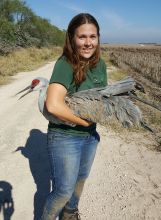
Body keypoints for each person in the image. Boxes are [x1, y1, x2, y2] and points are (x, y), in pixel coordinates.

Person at [41, 13, 107, 220]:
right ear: (72, 38)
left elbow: (101, 97)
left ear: (98, 38)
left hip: (90, 136)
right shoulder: (65, 64)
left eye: (92, 37)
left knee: (80, 180)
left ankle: (70, 214)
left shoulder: (100, 65)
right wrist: (83, 122)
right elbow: (52, 105)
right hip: (65, 136)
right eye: (82, 37)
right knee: (63, 190)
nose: (88, 43)